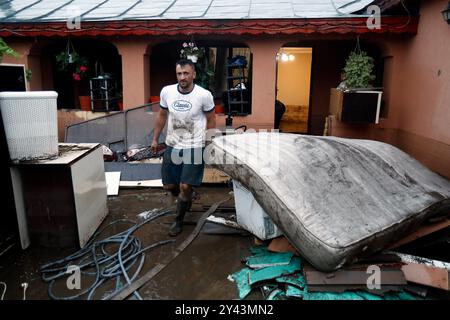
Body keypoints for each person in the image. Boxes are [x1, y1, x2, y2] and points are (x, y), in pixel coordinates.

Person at [151, 59, 216, 236]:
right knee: (169, 186)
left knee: (185, 186)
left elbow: (211, 119)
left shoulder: (204, 95)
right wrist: (155, 139)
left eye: (186, 73)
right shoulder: (167, 91)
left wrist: (209, 143)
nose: (183, 77)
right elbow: (162, 115)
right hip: (173, 143)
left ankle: (178, 220)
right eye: (179, 73)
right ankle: (186, 198)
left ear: (193, 74)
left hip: (195, 145)